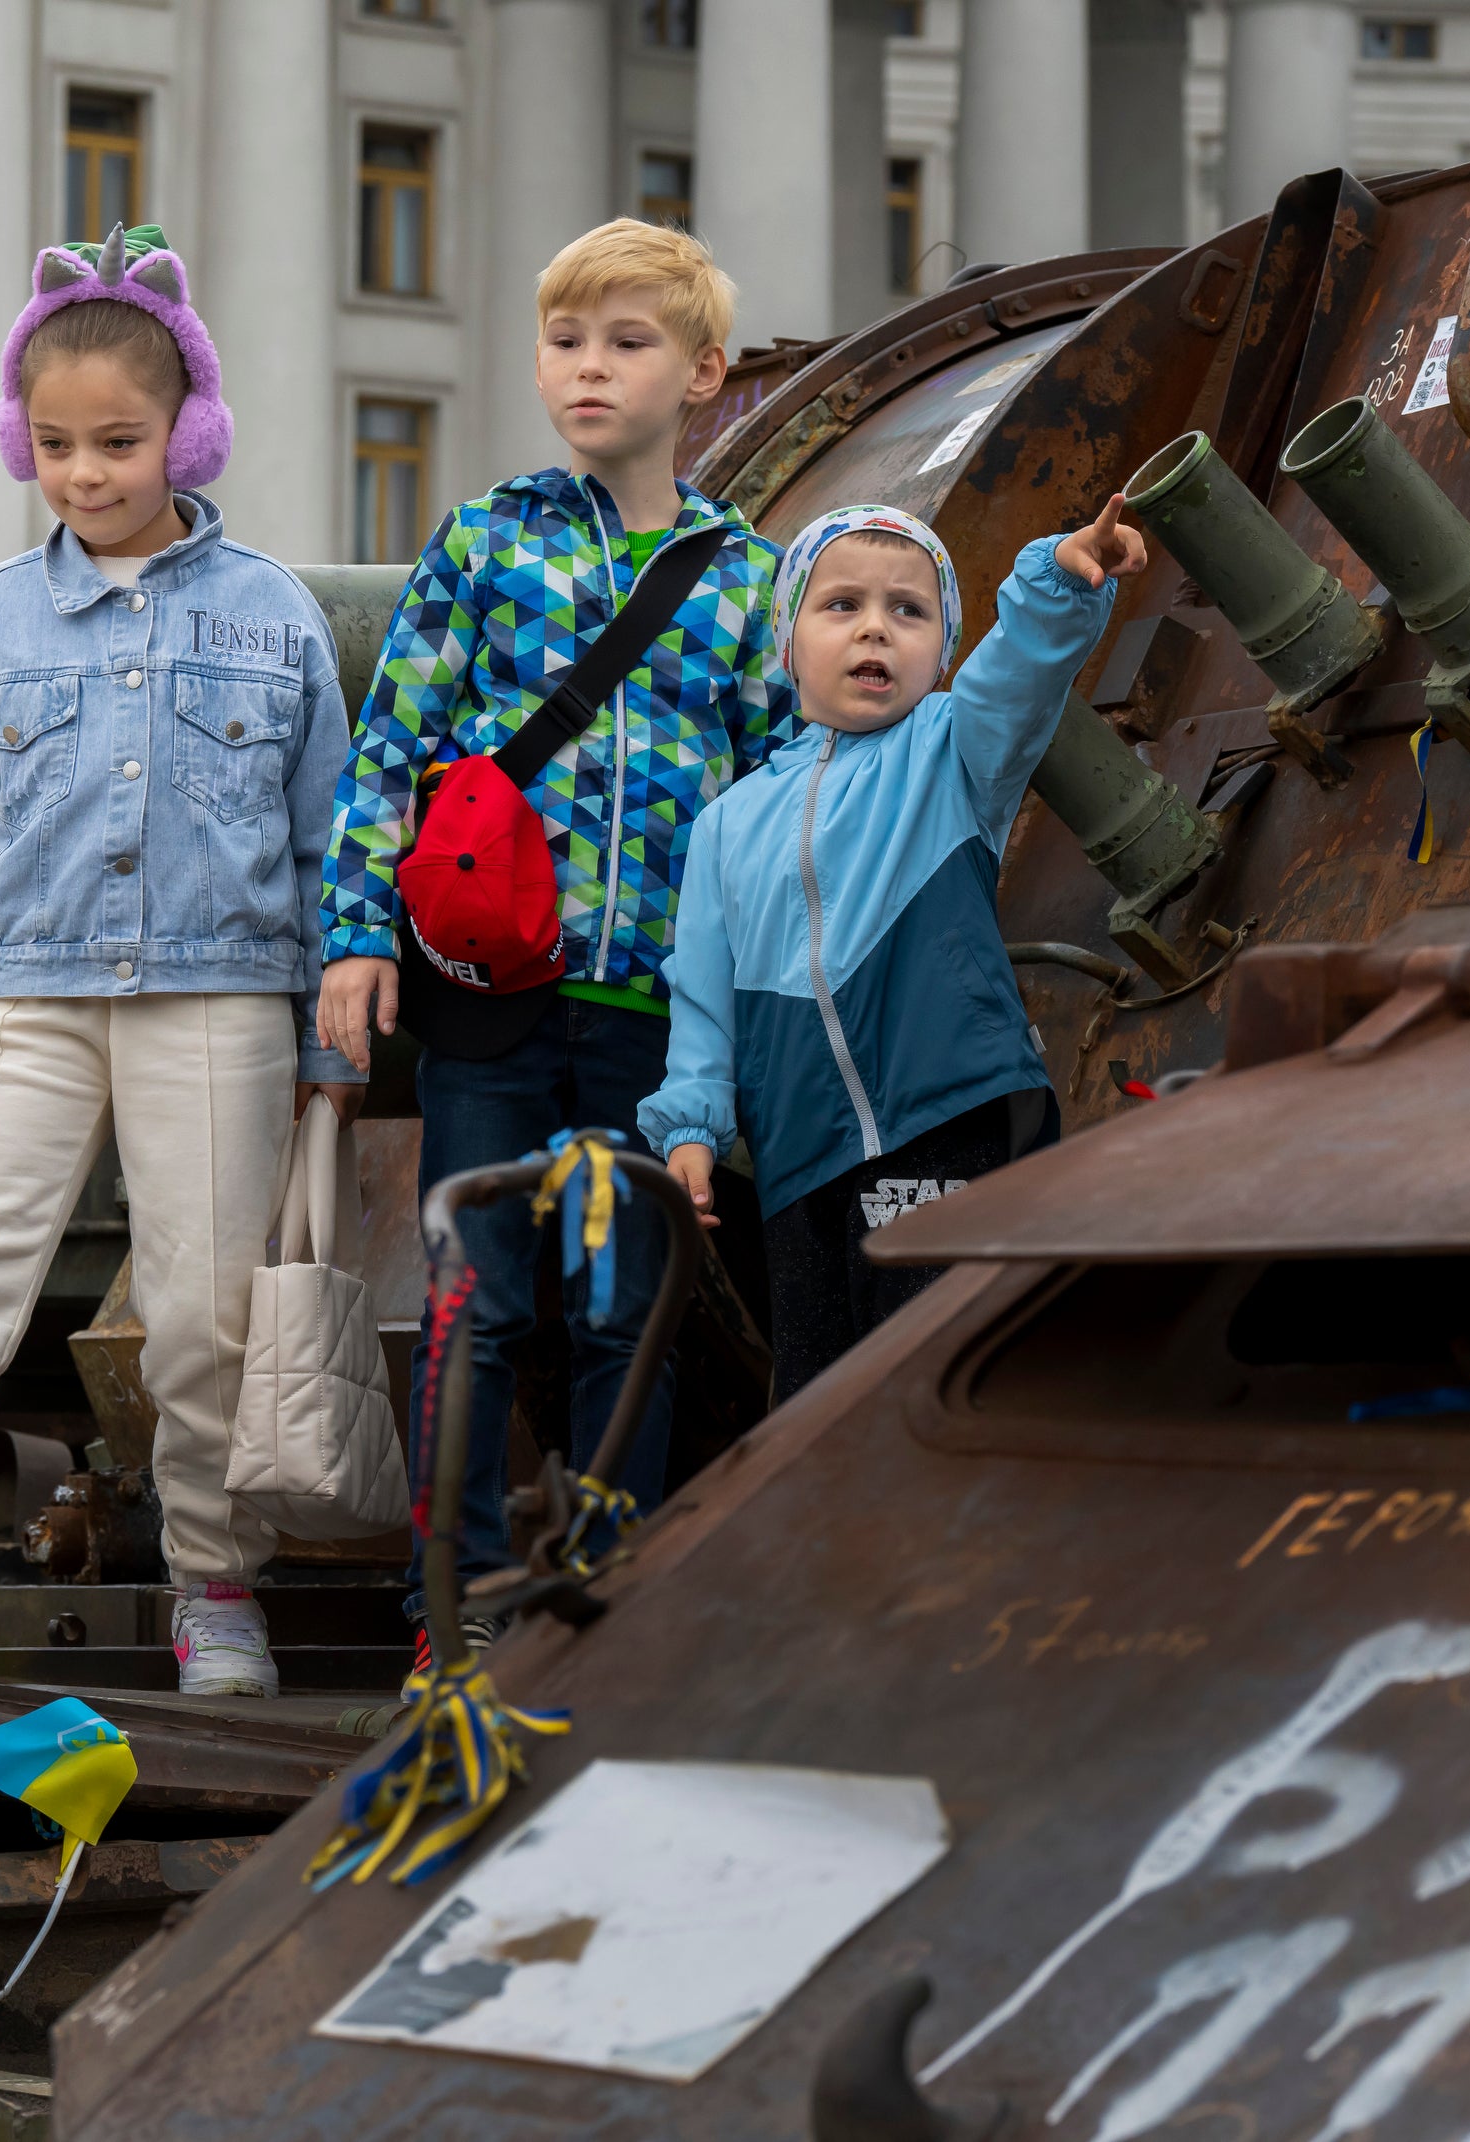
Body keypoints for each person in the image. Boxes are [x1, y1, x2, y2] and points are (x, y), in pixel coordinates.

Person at [0, 226, 364, 1696]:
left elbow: (333, 844)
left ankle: (215, 1584)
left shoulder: (276, 618)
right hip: (25, 996)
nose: (86, 472)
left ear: (188, 431)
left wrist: (328, 1045)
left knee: (205, 1313)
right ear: (17, 437)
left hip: (219, 998)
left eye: (120, 441)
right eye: (54, 444)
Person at [313, 219, 792, 1645]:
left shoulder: (746, 579)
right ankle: (443, 1608)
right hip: (486, 994)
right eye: (566, 340)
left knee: (621, 1311)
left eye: (627, 341)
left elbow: (772, 801)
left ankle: (606, 1612)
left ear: (702, 373)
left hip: (654, 1007)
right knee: (478, 1297)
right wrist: (355, 934)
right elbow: (390, 754)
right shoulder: (485, 543)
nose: (589, 368)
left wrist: (753, 1007)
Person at [639, 495, 1148, 1403]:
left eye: (909, 611)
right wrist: (690, 1127)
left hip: (948, 1119)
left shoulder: (955, 754)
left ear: (941, 651)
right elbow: (703, 999)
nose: (876, 629)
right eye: (842, 605)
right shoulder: (725, 825)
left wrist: (1056, 585)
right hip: (800, 1157)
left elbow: (1018, 677)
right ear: (786, 647)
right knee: (818, 1392)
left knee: (940, 1370)